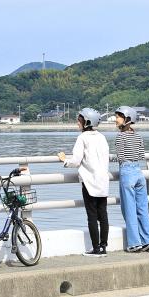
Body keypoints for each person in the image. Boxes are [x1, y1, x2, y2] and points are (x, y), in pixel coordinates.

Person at [58, 108, 110, 256]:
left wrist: (64, 160)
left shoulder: (82, 138)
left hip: (89, 181)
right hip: (103, 181)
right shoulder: (102, 137)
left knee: (92, 216)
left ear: (86, 121)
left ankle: (96, 248)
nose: (77, 122)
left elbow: (75, 161)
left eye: (79, 119)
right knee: (103, 215)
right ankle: (104, 246)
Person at [112, 105, 149, 252]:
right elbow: (141, 155)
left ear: (127, 119)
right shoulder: (138, 136)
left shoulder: (120, 136)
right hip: (138, 171)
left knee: (129, 209)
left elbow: (120, 157)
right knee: (142, 208)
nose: (115, 119)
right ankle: (148, 239)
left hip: (127, 172)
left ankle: (134, 243)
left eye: (118, 117)